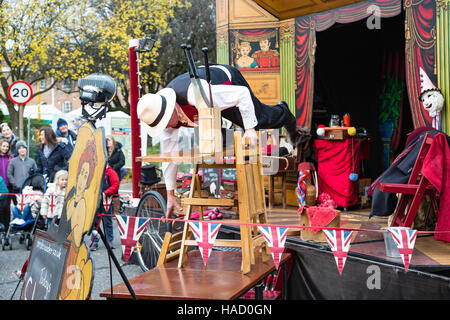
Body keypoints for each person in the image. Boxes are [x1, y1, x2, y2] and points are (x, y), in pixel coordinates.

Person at [137, 63, 310, 218]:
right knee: (213, 138)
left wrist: (249, 130)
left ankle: (284, 112)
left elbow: (242, 95)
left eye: (165, 121)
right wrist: (171, 194)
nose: (165, 126)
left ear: (171, 109)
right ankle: (236, 136)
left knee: (260, 120)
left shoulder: (196, 94)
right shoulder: (161, 116)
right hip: (207, 106)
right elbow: (169, 157)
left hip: (226, 81)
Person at [91, 164, 120, 251]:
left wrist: (106, 193)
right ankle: (94, 241)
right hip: (94, 200)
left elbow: (115, 184)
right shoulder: (94, 170)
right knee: (94, 223)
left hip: (106, 200)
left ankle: (109, 240)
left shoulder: (110, 172)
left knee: (108, 222)